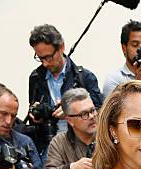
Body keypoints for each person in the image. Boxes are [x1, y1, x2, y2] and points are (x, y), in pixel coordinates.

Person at [28, 24, 103, 157]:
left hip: (82, 146)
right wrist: (36, 116)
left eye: (48, 57)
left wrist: (73, 112)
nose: (45, 63)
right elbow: (34, 117)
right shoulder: (36, 78)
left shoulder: (84, 77)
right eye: (40, 58)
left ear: (61, 47)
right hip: (48, 145)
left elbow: (101, 113)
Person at [43, 89, 97, 169]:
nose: (92, 116)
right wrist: (72, 168)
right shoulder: (59, 142)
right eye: (84, 114)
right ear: (70, 121)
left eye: (93, 110)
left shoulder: (109, 136)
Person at [103, 20, 141, 97]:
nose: (140, 48)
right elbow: (118, 109)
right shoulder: (114, 79)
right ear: (124, 48)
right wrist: (139, 84)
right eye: (135, 44)